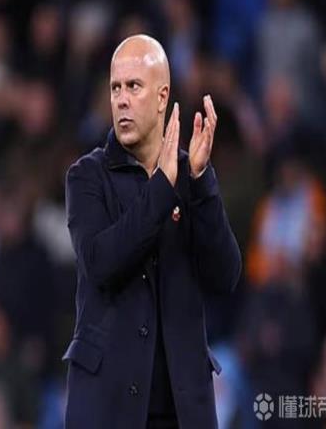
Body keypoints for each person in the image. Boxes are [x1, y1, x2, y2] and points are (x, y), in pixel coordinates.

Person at [63, 34, 242, 428]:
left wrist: (202, 181)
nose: (121, 100)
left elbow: (225, 275)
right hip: (109, 407)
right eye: (115, 88)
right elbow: (100, 263)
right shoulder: (87, 176)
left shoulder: (191, 177)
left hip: (182, 408)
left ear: (162, 97)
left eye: (133, 86)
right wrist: (162, 186)